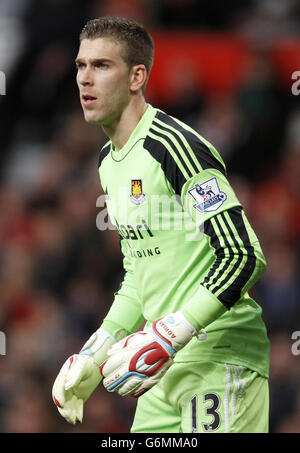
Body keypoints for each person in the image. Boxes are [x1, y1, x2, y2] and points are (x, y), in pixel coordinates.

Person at [52, 16, 270, 433]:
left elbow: (243, 255)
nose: (85, 79)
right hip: (158, 369)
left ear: (137, 76)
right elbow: (140, 271)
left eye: (101, 66)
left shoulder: (173, 146)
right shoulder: (108, 161)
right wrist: (95, 355)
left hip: (217, 358)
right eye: (81, 66)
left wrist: (168, 334)